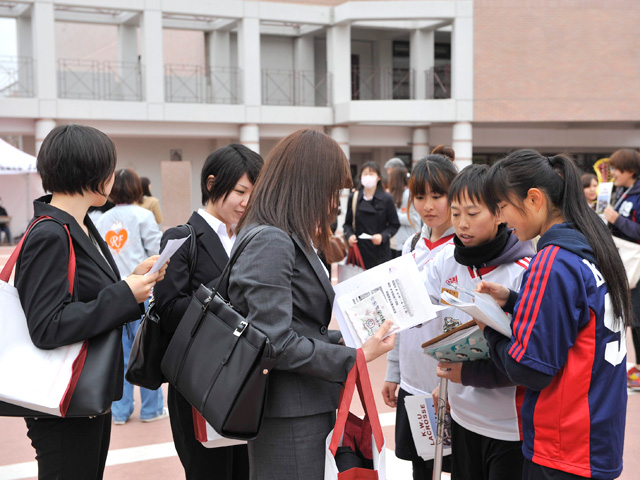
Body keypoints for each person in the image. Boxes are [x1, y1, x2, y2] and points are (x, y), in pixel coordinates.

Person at [227, 129, 395, 480]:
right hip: (288, 411)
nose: (335, 202)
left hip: (299, 405)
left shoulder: (283, 232)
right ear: (309, 185)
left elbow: (297, 327)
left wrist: (349, 343)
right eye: (332, 191)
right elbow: (275, 342)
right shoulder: (272, 239)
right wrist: (356, 356)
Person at [14, 124, 167, 479]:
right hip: (63, 401)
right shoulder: (51, 233)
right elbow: (48, 325)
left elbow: (85, 294)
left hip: (85, 395)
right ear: (92, 172)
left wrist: (130, 281)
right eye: (109, 168)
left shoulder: (78, 225)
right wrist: (125, 293)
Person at [477, 149, 630, 480]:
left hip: (563, 443)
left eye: (501, 207)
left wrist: (489, 327)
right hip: (597, 433)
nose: (501, 219)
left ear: (533, 199)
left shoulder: (554, 260)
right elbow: (576, 319)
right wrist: (517, 301)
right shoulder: (592, 242)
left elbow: (529, 368)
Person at [154, 144, 264, 480]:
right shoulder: (181, 239)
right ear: (213, 184)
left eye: (253, 194)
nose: (246, 203)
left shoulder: (252, 238)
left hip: (244, 384)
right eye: (240, 191)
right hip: (197, 386)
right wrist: (232, 283)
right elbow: (169, 309)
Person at [426, 164, 535, 480]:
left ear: (500, 213)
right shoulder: (447, 258)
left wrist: (467, 373)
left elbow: (529, 360)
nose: (461, 224)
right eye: (456, 213)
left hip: (510, 427)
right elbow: (416, 302)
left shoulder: (524, 271)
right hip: (461, 416)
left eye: (472, 214)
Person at [382, 153, 458, 479]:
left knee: (453, 466)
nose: (428, 205)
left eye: (437, 195)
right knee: (420, 469)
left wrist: (455, 382)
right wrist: (393, 371)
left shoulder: (462, 251)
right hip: (413, 383)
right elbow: (401, 315)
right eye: (420, 196)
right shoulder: (411, 246)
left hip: (447, 384)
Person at [96, 169, 165, 425]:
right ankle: (151, 410)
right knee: (147, 350)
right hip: (144, 291)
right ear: (137, 188)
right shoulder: (144, 215)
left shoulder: (101, 219)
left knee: (120, 355)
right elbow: (158, 253)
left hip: (115, 293)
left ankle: (120, 412)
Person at [602, 148, 640, 389]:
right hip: (626, 263)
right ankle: (633, 371)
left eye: (617, 168)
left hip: (635, 264)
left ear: (630, 171)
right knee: (630, 318)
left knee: (635, 319)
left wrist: (617, 220)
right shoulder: (623, 192)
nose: (613, 173)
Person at [343, 161, 400, 269]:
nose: (368, 177)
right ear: (361, 177)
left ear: (378, 177)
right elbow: (347, 224)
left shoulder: (387, 198)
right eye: (365, 174)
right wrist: (349, 235)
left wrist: (382, 236)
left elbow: (394, 225)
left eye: (371, 174)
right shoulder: (354, 197)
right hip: (359, 253)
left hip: (380, 253)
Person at [387, 165, 421, 258]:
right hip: (394, 242)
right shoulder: (394, 194)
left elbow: (413, 219)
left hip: (406, 241)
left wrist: (392, 215)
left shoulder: (408, 194)